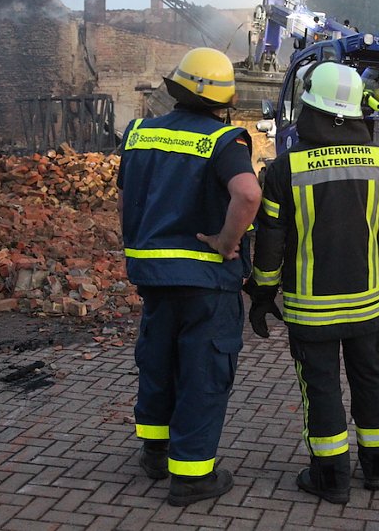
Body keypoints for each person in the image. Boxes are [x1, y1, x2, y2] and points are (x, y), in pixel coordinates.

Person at [243, 61, 379, 504]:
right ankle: (377, 467)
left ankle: (331, 477)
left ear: (310, 109)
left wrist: (262, 295)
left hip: (310, 311)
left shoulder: (285, 170)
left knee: (320, 389)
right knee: (371, 381)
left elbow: (270, 244)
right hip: (369, 307)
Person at [117, 47, 262, 507]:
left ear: (175, 88)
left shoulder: (138, 134)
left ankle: (156, 456)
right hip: (206, 282)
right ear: (224, 100)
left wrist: (137, 243)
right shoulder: (224, 141)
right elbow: (248, 194)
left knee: (158, 361)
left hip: (154, 274)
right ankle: (193, 476)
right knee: (202, 371)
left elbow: (126, 198)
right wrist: (224, 240)